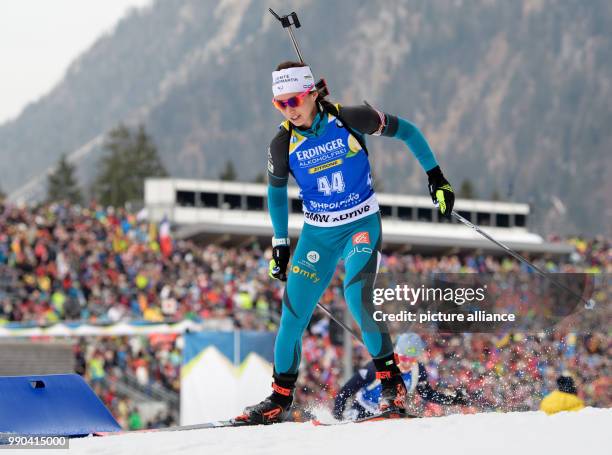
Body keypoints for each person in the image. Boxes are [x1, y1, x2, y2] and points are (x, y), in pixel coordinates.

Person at [237, 62, 455, 424]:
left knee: (356, 296)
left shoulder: (351, 118)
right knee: (292, 316)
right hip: (318, 233)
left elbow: (409, 132)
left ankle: (392, 388)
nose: (289, 109)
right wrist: (279, 242)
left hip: (360, 224)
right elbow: (276, 193)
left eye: (293, 100)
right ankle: (278, 398)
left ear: (311, 93)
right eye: (280, 104)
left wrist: (436, 176)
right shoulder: (282, 143)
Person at [333, 332, 468, 420]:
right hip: (361, 410)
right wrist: (337, 415)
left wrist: (454, 400)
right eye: (404, 358)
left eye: (412, 359)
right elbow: (345, 391)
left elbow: (427, 394)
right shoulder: (377, 366)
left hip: (390, 414)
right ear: (396, 354)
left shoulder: (418, 370)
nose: (407, 364)